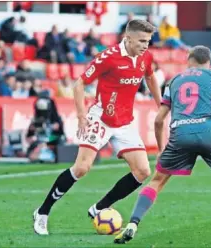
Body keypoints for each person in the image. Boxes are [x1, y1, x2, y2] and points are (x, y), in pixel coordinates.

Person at [33, 19, 162, 235]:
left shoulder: (145, 57)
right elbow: (79, 83)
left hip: (125, 121)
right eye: (141, 40)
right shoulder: (108, 57)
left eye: (148, 41)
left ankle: (100, 207)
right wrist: (82, 116)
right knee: (81, 168)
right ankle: (42, 212)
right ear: (127, 38)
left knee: (142, 171)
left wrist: (161, 104)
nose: (145, 45)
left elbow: (150, 77)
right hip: (100, 118)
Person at [114, 46, 211, 245]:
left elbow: (159, 120)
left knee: (157, 181)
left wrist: (161, 150)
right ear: (209, 64)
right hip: (208, 131)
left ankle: (133, 224)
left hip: (180, 134)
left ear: (188, 62)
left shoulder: (174, 81)